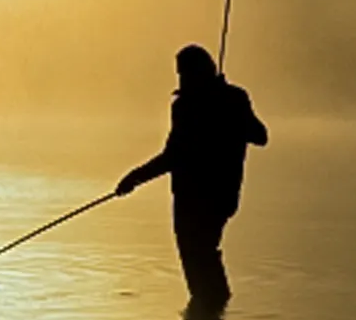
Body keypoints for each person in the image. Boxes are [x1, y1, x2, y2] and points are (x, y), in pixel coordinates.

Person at [114, 45, 268, 304]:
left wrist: (135, 178)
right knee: (203, 255)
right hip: (206, 196)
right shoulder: (197, 103)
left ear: (202, 71)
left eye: (185, 73)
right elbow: (173, 156)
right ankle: (214, 315)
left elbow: (260, 136)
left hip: (208, 197)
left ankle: (211, 312)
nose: (182, 79)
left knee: (198, 256)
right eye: (180, 74)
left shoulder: (223, 101)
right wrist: (135, 178)